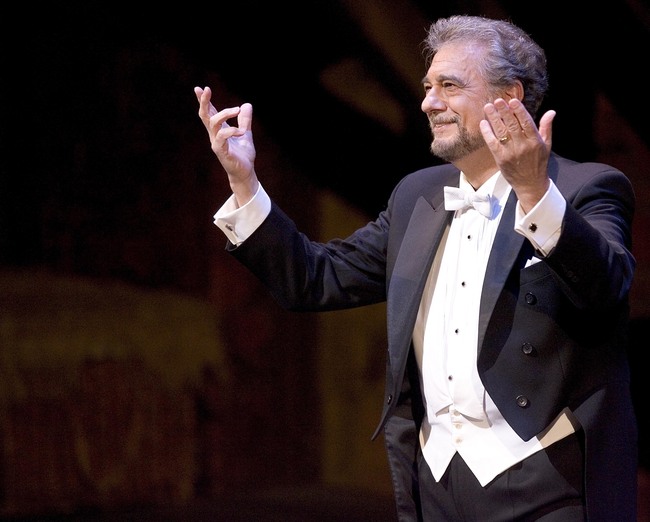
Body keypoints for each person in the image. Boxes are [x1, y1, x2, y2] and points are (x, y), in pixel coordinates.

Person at [194, 14, 637, 522]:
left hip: (544, 483)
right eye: (428, 86)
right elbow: (315, 279)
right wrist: (245, 184)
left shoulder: (587, 187)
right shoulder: (416, 196)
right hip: (435, 483)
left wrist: (535, 193)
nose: (428, 101)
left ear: (510, 96)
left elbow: (606, 287)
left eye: (449, 85)